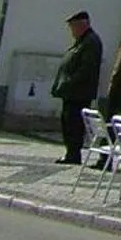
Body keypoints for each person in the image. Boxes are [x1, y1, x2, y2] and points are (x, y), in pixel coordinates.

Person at [50, 10, 103, 164]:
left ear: (82, 25)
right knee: (68, 123)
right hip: (72, 93)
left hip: (79, 93)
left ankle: (73, 154)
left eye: (73, 26)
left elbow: (86, 69)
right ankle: (71, 153)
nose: (72, 31)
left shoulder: (90, 42)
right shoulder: (82, 41)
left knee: (74, 124)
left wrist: (69, 83)